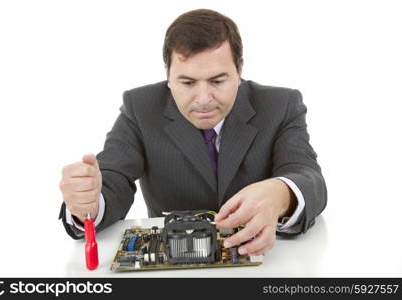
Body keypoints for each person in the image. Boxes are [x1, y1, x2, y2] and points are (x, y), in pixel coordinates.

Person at [58, 9, 327, 256]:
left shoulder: (281, 105)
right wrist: (89, 204)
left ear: (240, 70)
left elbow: (307, 176)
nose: (203, 99)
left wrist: (280, 194)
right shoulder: (140, 108)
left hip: (266, 263)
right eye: (187, 82)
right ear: (168, 74)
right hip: (173, 264)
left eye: (218, 80)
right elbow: (113, 178)